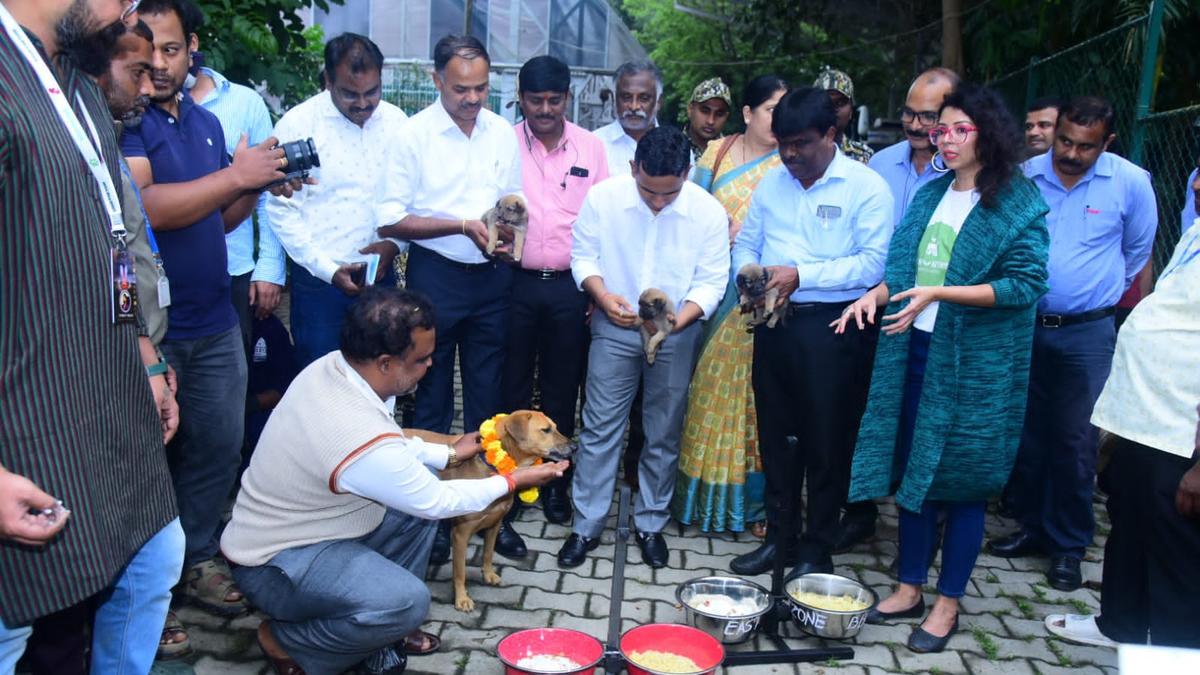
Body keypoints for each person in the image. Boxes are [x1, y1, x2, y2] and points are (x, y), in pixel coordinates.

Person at [222, 287, 568, 675]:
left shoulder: (337, 368)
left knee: (413, 514)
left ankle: (377, 631)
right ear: (386, 362)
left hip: (313, 529)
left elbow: (394, 445)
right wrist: (513, 479)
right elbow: (435, 499)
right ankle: (288, 640)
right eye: (420, 360)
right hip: (276, 565)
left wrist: (452, 452)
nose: (431, 365)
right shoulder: (353, 427)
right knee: (408, 601)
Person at [0, 0, 184, 672]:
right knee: (17, 623)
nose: (132, 8)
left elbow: (114, 243)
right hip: (27, 414)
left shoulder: (76, 81)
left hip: (109, 390)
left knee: (154, 557)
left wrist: (145, 352)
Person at [843, 82, 1051, 654]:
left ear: (990, 135)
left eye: (962, 129)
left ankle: (948, 602)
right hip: (914, 354)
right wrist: (878, 294)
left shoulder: (1016, 202)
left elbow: (1026, 284)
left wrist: (943, 292)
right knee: (913, 476)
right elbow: (907, 272)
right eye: (942, 129)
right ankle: (910, 586)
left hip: (974, 367)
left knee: (962, 486)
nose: (948, 139)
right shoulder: (931, 194)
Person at [125, 0, 297, 633]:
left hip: (215, 315)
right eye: (148, 55)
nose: (160, 65)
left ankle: (195, 559)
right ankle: (146, 594)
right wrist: (235, 178)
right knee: (151, 459)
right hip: (149, 328)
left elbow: (218, 218)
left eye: (171, 50)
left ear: (191, 47)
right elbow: (147, 208)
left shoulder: (202, 122)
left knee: (219, 449)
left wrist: (253, 184)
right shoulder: (127, 122)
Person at [990, 96, 1157, 593]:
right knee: (1030, 433)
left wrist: (1091, 294)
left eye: (1084, 146)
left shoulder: (1129, 183)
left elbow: (1137, 250)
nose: (1069, 153)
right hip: (1026, 323)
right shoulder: (1024, 175)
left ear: (1105, 143)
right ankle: (1033, 529)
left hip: (1087, 332)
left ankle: (1068, 546)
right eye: (1064, 140)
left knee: (1076, 441)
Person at [728, 88, 893, 578]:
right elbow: (749, 242)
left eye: (800, 143)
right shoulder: (773, 183)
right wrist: (750, 278)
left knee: (827, 442)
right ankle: (778, 541)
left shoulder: (866, 187)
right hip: (773, 325)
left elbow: (873, 264)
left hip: (836, 329)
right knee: (776, 437)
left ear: (831, 135)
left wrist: (802, 275)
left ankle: (816, 550)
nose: (790, 154)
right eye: (782, 143)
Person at [376, 34, 521, 565]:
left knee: (488, 401)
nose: (473, 98)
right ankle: (429, 522)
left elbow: (513, 205)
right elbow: (390, 217)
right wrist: (461, 224)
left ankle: (488, 513)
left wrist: (504, 235)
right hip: (435, 276)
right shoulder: (413, 135)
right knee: (432, 397)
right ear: (437, 81)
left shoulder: (503, 133)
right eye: (461, 88)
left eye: (482, 87)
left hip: (493, 279)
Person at [559, 126, 729, 570]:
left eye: (668, 194)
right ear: (633, 168)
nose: (656, 202)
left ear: (687, 175)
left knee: (663, 430)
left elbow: (712, 281)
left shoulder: (708, 213)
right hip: (615, 326)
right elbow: (584, 257)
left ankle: (650, 522)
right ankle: (586, 525)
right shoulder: (604, 198)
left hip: (677, 332)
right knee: (599, 428)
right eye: (648, 191)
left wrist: (676, 322)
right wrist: (601, 296)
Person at [1044, 221, 1200, 650]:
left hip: (1182, 434)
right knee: (1129, 525)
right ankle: (1120, 624)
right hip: (1145, 418)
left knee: (1178, 558)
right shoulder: (1196, 228)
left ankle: (1177, 654)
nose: (1199, 186)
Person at [842, 67, 959, 551]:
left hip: (935, 315)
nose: (914, 125)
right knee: (863, 412)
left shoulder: (959, 171)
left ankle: (925, 524)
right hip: (874, 306)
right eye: (909, 113)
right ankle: (861, 510)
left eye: (927, 116)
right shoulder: (880, 164)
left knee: (922, 421)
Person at [499, 55, 609, 556]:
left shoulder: (591, 148)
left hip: (569, 287)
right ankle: (517, 481)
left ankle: (558, 485)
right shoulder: (502, 143)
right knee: (514, 387)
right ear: (521, 98)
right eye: (535, 100)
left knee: (564, 389)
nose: (544, 109)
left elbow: (604, 221)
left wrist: (596, 290)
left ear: (569, 98)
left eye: (554, 99)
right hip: (513, 285)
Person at [672, 74, 788, 536]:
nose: (779, 122)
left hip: (763, 296)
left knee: (756, 402)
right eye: (770, 111)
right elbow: (688, 214)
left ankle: (752, 507)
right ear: (747, 113)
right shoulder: (715, 154)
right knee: (706, 393)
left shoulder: (790, 165)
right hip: (714, 292)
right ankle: (696, 501)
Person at [269, 32, 408, 368]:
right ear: (328, 81)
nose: (363, 103)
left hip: (381, 277)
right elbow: (281, 212)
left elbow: (411, 199)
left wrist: (394, 244)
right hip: (320, 285)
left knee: (382, 377)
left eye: (372, 92)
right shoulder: (298, 126)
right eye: (350, 94)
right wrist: (329, 271)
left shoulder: (398, 124)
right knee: (321, 378)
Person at [185, 10, 286, 354]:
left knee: (230, 393)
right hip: (165, 276)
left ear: (191, 43)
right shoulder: (139, 109)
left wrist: (269, 267)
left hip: (234, 272)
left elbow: (271, 191)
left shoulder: (244, 102)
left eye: (169, 48)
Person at [595, 60, 662, 177]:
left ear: (659, 102)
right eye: (626, 97)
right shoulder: (593, 144)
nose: (634, 106)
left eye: (644, 98)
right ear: (614, 99)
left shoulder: (677, 147)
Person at [813, 67, 873, 164]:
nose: (833, 108)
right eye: (826, 101)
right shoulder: (801, 152)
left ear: (851, 111)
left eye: (840, 102)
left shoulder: (865, 156)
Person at [683, 76, 732, 163]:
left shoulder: (732, 154)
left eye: (719, 114)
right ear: (690, 109)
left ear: (726, 116)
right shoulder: (672, 147)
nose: (711, 121)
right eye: (705, 111)